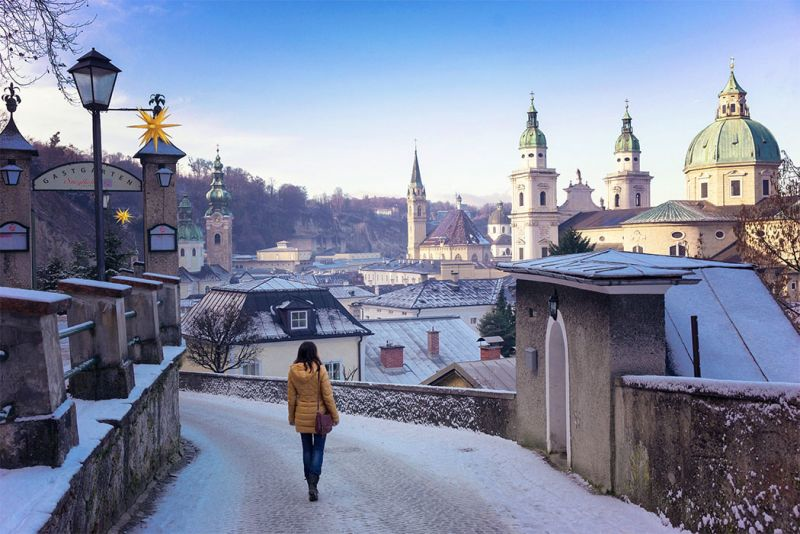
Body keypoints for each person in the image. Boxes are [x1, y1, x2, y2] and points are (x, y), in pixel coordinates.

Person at [287, 341, 339, 502]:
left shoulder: (293, 371)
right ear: (314, 352)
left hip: (302, 415)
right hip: (319, 416)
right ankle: (313, 483)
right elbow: (327, 396)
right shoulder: (320, 370)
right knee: (318, 450)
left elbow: (291, 398)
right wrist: (334, 416)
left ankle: (309, 481)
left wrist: (292, 417)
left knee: (307, 450)